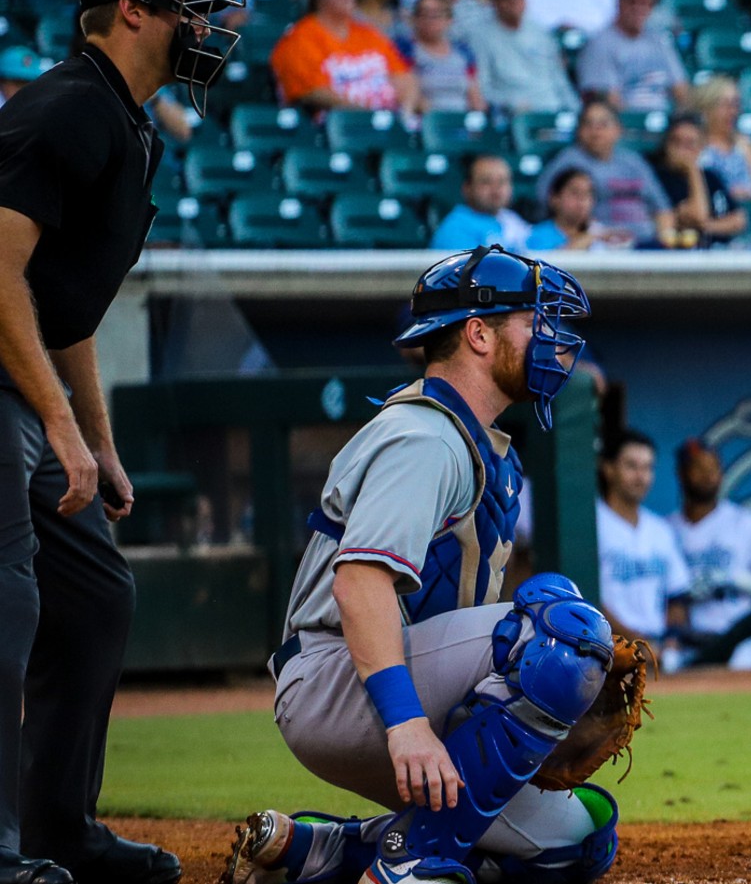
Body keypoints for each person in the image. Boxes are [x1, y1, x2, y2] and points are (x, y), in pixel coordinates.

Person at [215, 247, 614, 884]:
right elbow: (360, 583)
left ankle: (317, 851)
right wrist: (406, 724)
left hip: (379, 672)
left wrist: (527, 725)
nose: (554, 340)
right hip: (339, 680)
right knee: (563, 632)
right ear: (478, 334)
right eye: (536, 322)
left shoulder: (472, 440)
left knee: (577, 843)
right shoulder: (426, 438)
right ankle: (407, 864)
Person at [0, 0, 238, 884]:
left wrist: (97, 438)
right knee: (7, 596)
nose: (205, 25)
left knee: (96, 595)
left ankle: (60, 827)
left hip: (25, 386)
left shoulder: (129, 122)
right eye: (189, 5)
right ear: (133, 11)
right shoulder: (64, 108)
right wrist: (60, 424)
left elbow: (66, 309)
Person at [666, 440, 751, 670]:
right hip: (685, 644)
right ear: (681, 474)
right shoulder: (665, 530)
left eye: (713, 468)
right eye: (698, 468)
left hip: (737, 640)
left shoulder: (747, 523)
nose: (708, 475)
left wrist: (732, 579)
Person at [271, 0, 420, 113]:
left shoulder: (368, 34)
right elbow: (312, 92)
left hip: (387, 121)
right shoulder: (299, 38)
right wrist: (365, 114)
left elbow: (403, 76)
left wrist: (405, 113)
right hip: (338, 126)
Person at [595, 428, 690, 658]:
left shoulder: (661, 530)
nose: (641, 476)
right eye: (631, 466)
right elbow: (588, 599)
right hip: (606, 648)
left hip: (656, 648)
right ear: (608, 469)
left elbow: (677, 596)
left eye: (647, 467)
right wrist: (635, 642)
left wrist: (670, 641)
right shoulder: (592, 523)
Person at [537, 102, 674, 246]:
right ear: (579, 130)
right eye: (588, 124)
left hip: (645, 244)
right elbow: (549, 203)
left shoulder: (634, 162)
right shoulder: (567, 162)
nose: (596, 131)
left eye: (603, 124)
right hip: (599, 246)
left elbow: (662, 210)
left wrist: (665, 240)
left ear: (618, 129)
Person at [465, 0, 579, 114]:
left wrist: (577, 110)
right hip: (516, 115)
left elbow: (559, 80)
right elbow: (482, 88)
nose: (514, 0)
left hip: (553, 110)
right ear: (493, 0)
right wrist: (509, 103)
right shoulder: (480, 36)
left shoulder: (540, 31)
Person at [577, 0, 685, 113]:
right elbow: (609, 104)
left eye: (645, 0)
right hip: (628, 128)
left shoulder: (659, 40)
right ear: (619, 0)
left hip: (665, 124)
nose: (638, 7)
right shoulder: (600, 44)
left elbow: (681, 90)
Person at [650, 115, 747, 246]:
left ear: (701, 146)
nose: (681, 149)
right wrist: (692, 170)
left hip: (717, 251)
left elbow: (738, 220)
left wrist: (706, 226)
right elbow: (697, 215)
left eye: (690, 143)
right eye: (676, 141)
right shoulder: (656, 177)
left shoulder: (710, 176)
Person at [428, 153, 531, 249]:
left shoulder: (512, 219)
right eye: (486, 181)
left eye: (502, 181)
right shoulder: (455, 228)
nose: (496, 188)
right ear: (467, 188)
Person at [692, 76, 751, 205]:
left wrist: (747, 193)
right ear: (707, 107)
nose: (733, 111)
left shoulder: (744, 145)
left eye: (736, 104)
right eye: (725, 105)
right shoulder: (696, 146)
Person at [524, 168, 626, 251]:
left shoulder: (600, 232)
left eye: (587, 194)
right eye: (575, 193)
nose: (582, 200)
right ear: (554, 198)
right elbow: (550, 268)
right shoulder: (536, 235)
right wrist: (590, 237)